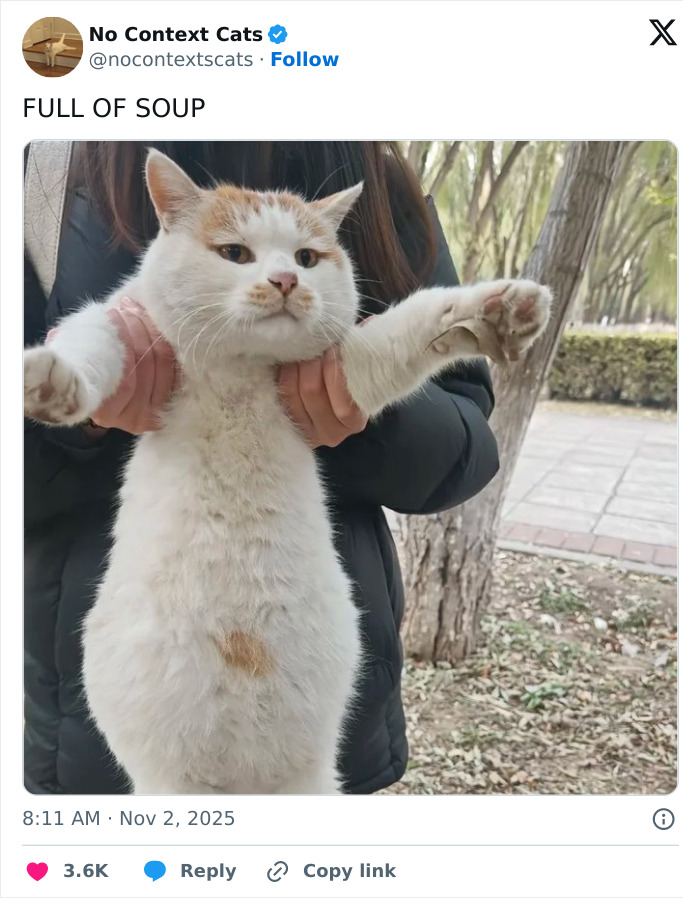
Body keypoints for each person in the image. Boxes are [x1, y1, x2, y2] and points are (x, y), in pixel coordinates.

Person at [24, 141, 499, 794]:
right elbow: (95, 338)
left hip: (305, 676)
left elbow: (468, 441)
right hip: (122, 703)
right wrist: (71, 413)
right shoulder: (47, 172)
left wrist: (361, 408)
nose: (283, 277)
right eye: (238, 253)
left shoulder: (378, 177)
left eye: (306, 258)